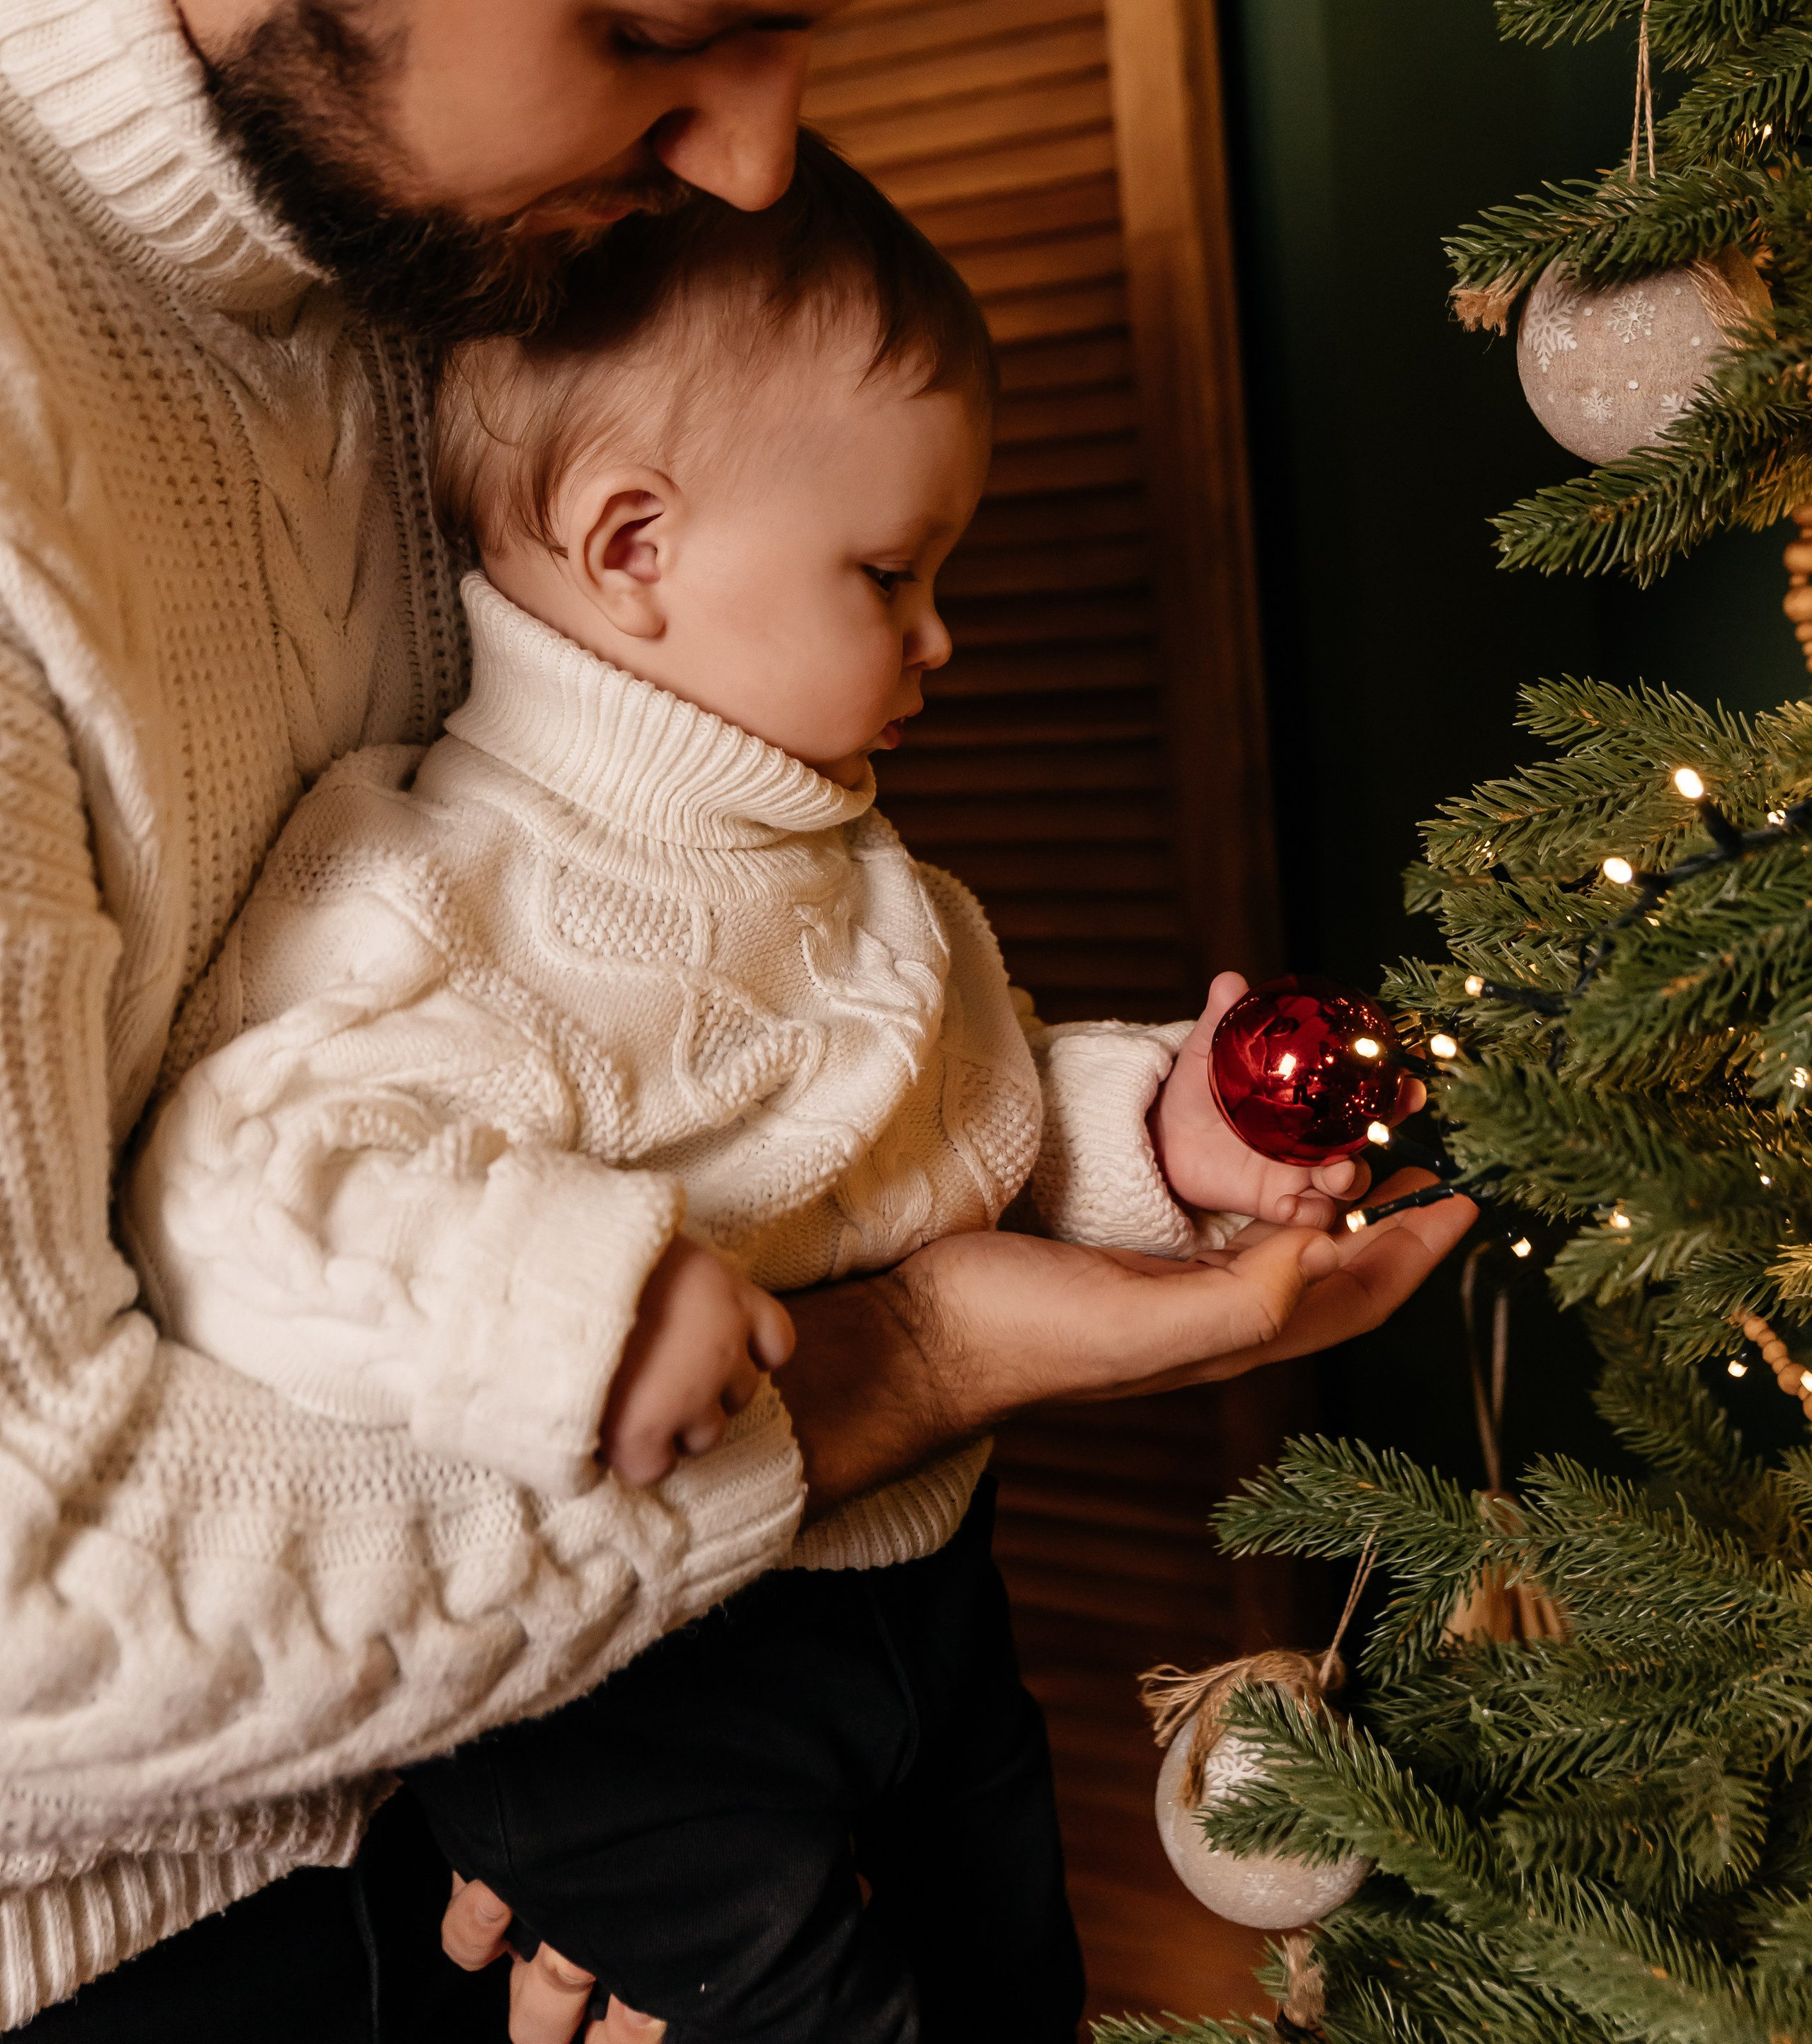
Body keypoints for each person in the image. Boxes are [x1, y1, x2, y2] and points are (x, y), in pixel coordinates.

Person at [0, 0, 1473, 2032]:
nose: (763, 164)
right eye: (662, 36)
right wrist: (886, 1364)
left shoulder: (461, 250)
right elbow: (24, 1633)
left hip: (516, 1809)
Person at [123, 137, 1379, 2041]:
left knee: (1016, 1970)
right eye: (893, 573)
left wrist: (1161, 1134)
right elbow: (244, 1183)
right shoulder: (438, 885)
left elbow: (968, 1136)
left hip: (929, 1594)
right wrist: (584, 1297)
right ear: (638, 549)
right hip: (644, 1675)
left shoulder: (864, 879)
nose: (942, 636)